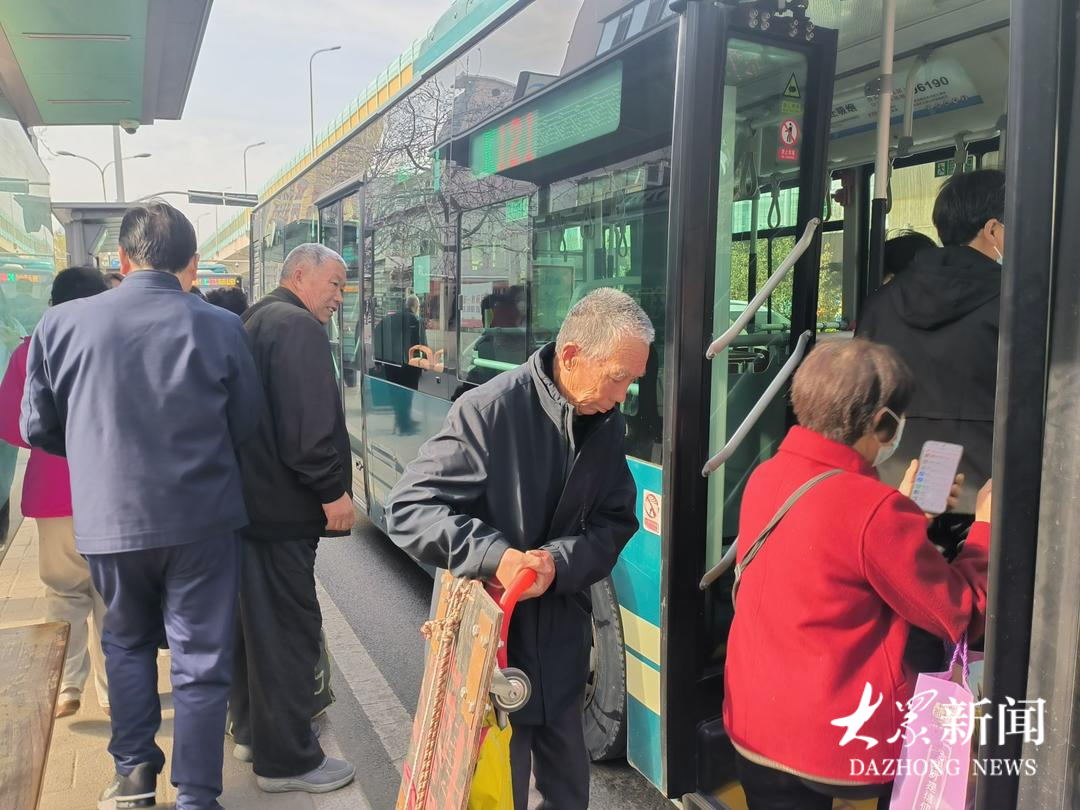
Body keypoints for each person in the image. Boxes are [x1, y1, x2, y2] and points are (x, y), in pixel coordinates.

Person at [21, 201, 264, 810]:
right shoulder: (221, 327)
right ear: (193, 263)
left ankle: (133, 776)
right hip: (203, 519)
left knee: (125, 644)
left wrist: (98, 453)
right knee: (200, 658)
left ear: (124, 259)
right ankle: (198, 795)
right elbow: (246, 423)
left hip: (110, 521)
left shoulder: (61, 325)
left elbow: (37, 426)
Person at [386, 287, 651, 809]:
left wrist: (557, 563)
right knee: (494, 795)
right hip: (489, 653)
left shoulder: (605, 421)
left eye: (632, 381)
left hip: (562, 651)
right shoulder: (490, 410)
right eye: (619, 377)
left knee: (568, 793)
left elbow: (615, 521)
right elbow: (408, 509)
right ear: (571, 356)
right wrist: (497, 557)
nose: (623, 395)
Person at [723, 339, 991, 810]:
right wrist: (985, 529)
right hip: (835, 744)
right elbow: (960, 614)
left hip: (753, 725)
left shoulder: (765, 476)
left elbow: (833, 556)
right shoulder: (874, 510)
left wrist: (906, 515)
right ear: (883, 422)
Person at [230, 242, 355, 794]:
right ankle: (287, 762)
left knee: (254, 632)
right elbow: (307, 432)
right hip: (283, 514)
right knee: (289, 636)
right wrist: (333, 493)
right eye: (334, 284)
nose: (339, 297)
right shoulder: (299, 327)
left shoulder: (254, 319)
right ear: (300, 275)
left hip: (251, 510)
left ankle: (252, 733)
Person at [856, 169, 1004, 513]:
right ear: (992, 230)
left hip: (894, 487)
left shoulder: (879, 303)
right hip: (988, 497)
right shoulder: (1019, 303)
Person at [0, 266, 110, 718]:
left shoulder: (29, 352)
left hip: (53, 493)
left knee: (64, 592)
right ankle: (115, 693)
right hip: (112, 491)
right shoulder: (114, 344)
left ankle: (66, 685)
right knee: (111, 595)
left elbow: (12, 427)